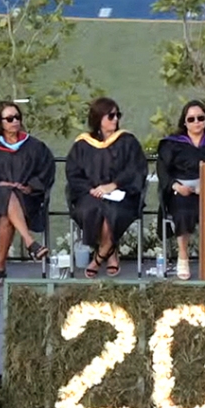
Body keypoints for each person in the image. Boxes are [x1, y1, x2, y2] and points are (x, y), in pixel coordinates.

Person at [0, 101, 56, 288]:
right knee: (5, 196)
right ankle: (30, 242)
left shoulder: (35, 146)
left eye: (17, 117)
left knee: (6, 213)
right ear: (0, 122)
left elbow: (46, 172)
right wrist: (0, 183)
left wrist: (30, 187)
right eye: (9, 118)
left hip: (27, 199)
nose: (15, 121)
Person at [66, 97, 148, 279]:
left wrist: (113, 185)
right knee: (93, 209)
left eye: (117, 115)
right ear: (98, 118)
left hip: (122, 194)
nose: (115, 119)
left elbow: (136, 169)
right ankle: (111, 254)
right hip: (90, 194)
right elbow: (73, 173)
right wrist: (92, 189)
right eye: (111, 116)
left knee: (112, 211)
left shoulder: (127, 141)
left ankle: (98, 259)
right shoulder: (82, 144)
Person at [156, 100, 205, 280]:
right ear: (184, 122)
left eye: (200, 118)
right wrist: (176, 186)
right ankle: (183, 256)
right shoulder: (172, 143)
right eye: (192, 119)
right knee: (182, 211)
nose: (196, 122)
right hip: (180, 191)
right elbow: (162, 169)